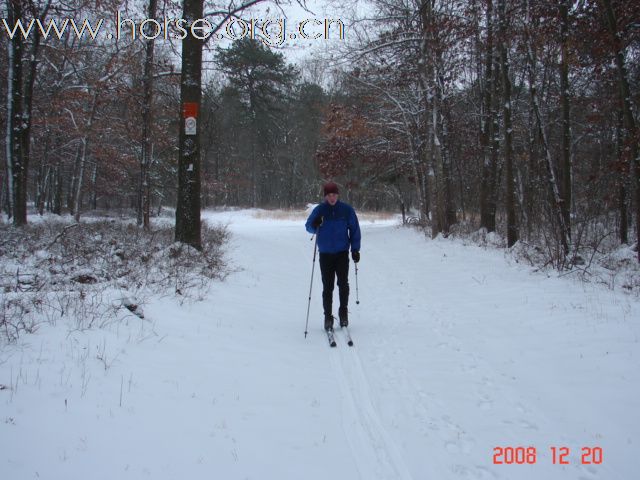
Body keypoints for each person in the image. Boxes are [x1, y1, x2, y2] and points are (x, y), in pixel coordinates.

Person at [305, 181, 361, 331]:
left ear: (338, 195)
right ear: (325, 196)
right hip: (325, 254)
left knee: (343, 284)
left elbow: (354, 229)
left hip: (342, 253)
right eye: (329, 195)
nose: (332, 198)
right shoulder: (319, 210)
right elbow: (309, 227)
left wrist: (355, 249)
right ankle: (327, 317)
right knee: (327, 286)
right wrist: (315, 223)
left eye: (334, 195)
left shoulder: (346, 210)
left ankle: (343, 313)